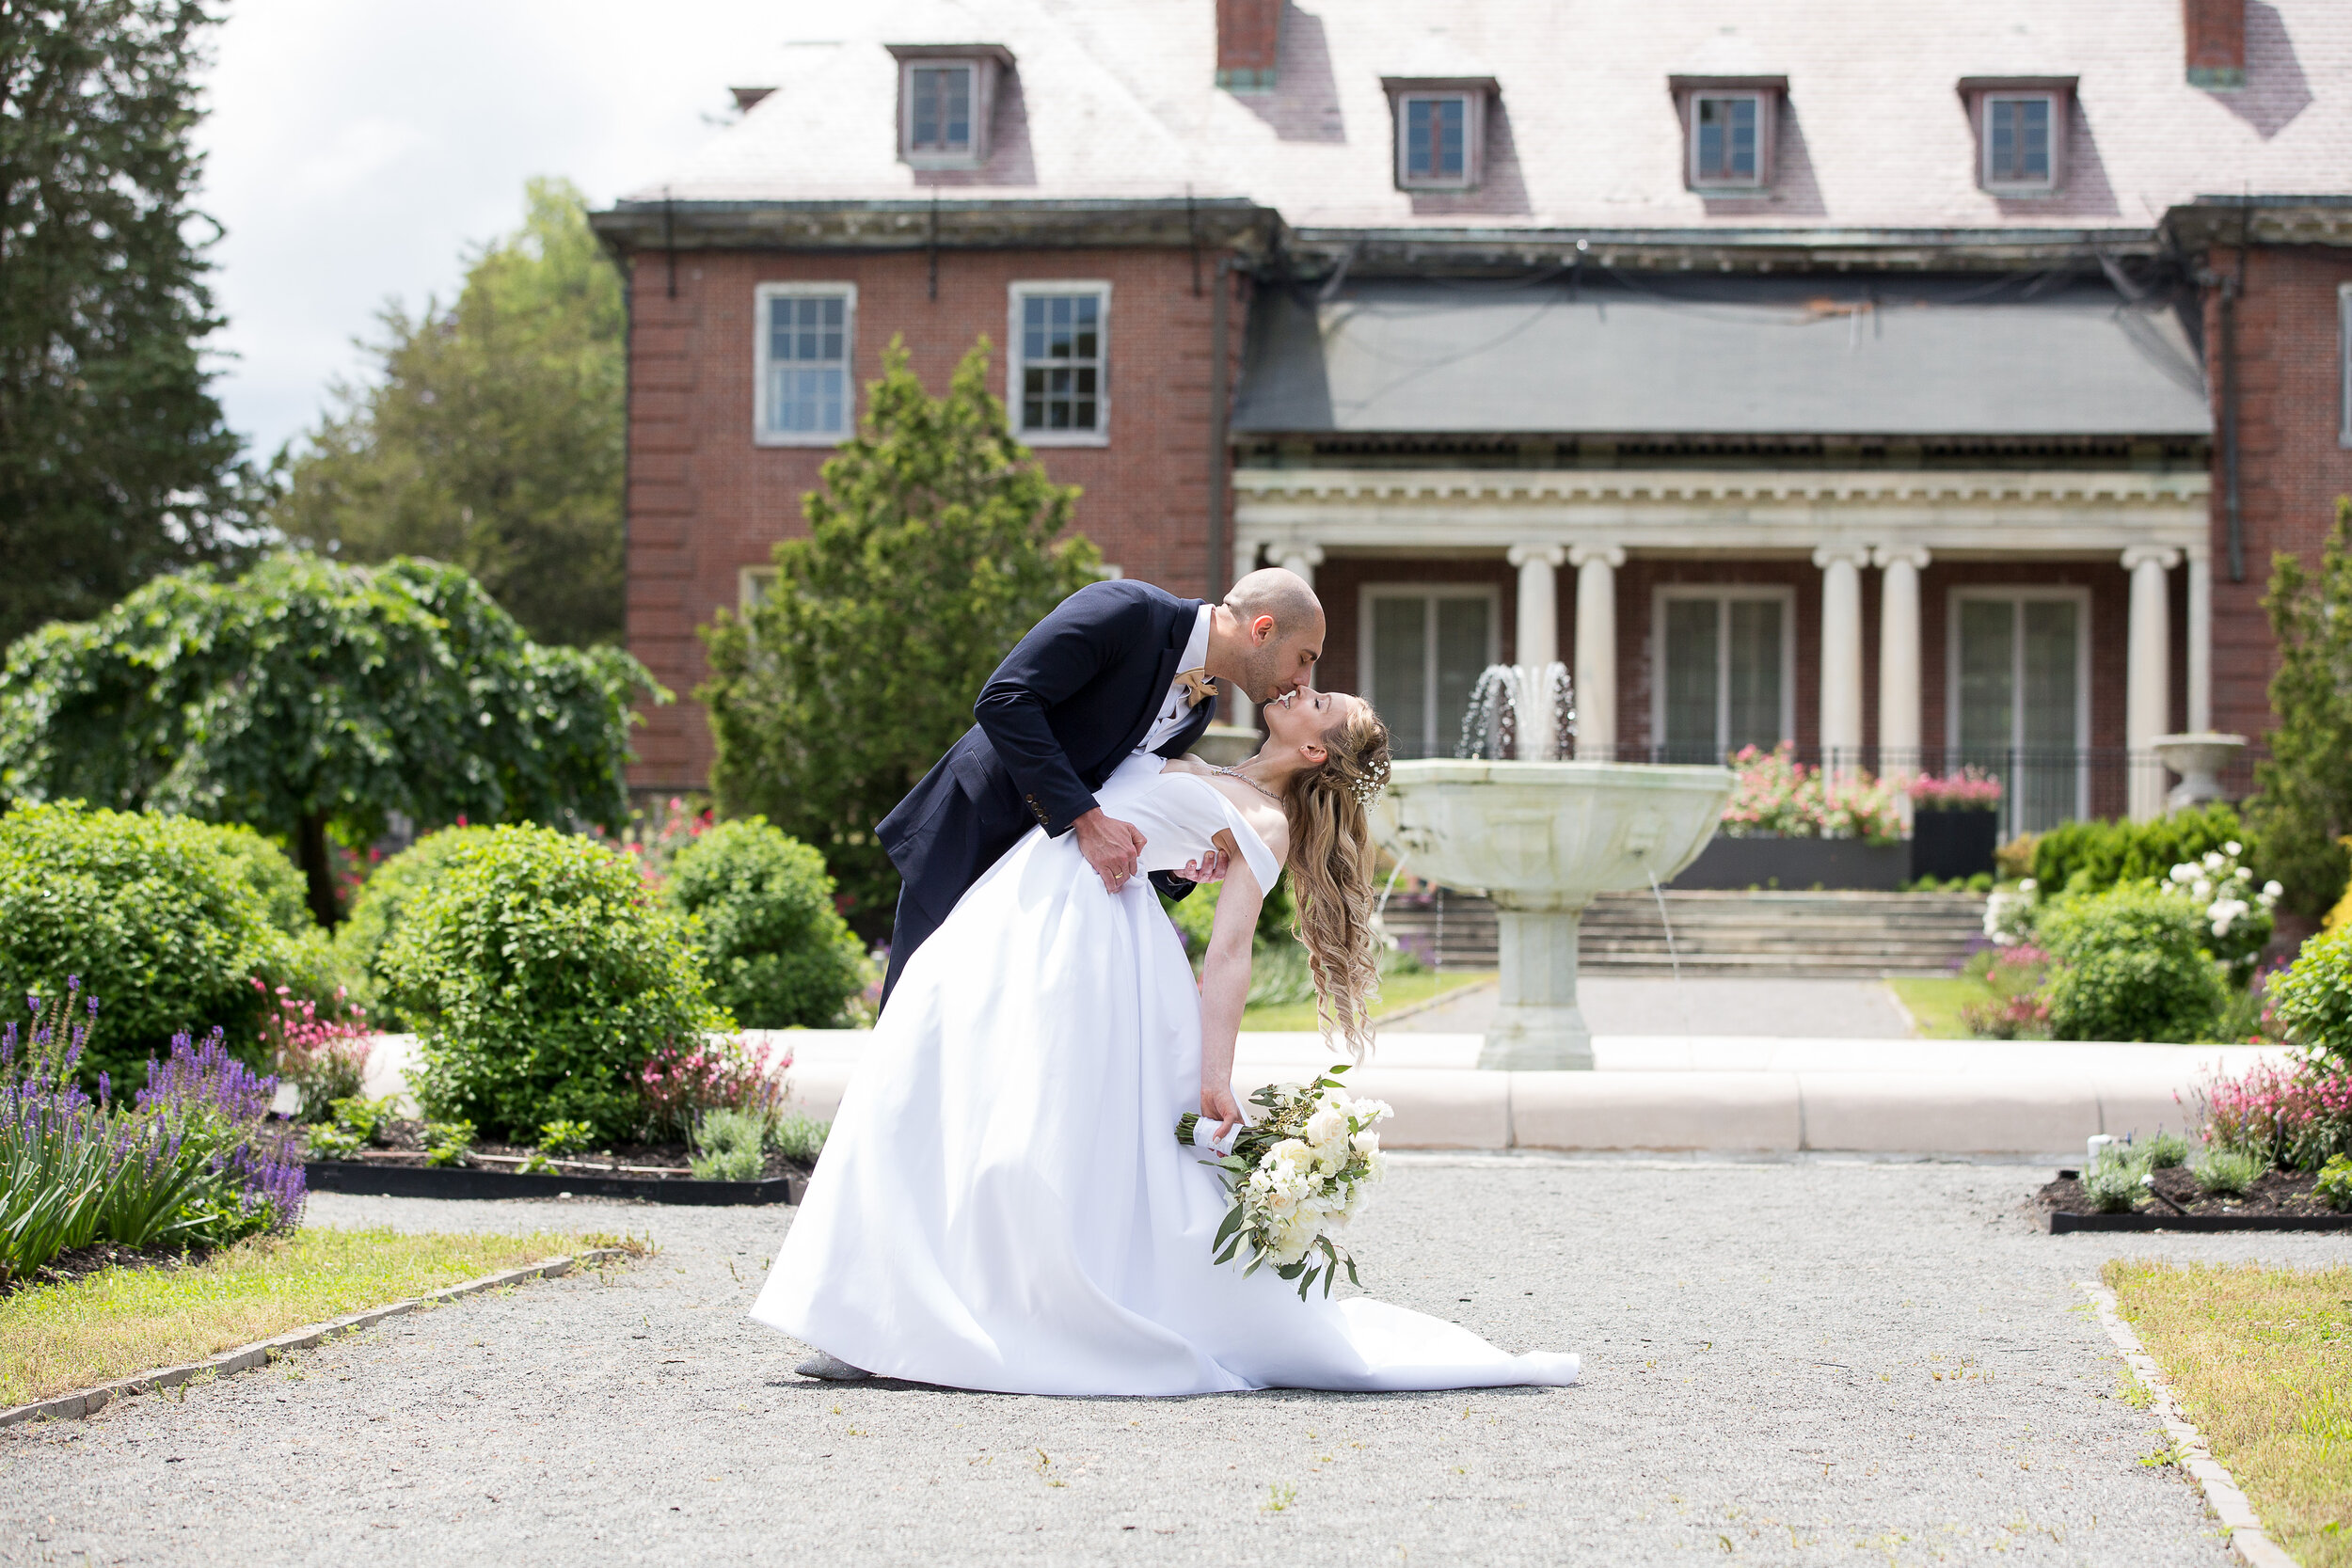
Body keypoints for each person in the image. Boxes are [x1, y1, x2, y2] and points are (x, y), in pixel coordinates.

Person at [753, 683, 1581, 1395]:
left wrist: (1214, 1073)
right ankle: (870, 1312)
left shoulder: (1266, 818)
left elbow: (1228, 957)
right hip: (1026, 902)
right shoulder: (1209, 757)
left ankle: (963, 1319)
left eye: (1319, 699)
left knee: (1022, 1142)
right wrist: (1178, 863)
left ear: (1319, 749)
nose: (1302, 689)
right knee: (926, 1085)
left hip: (1091, 945)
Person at [873, 568, 1327, 1006]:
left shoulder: (1198, 709)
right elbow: (1005, 700)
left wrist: (1173, 867)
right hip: (972, 837)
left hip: (1043, 887)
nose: (1302, 680)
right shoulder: (1128, 610)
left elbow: (1122, 788)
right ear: (1263, 630)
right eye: (1305, 657)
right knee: (912, 1026)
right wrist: (1084, 819)